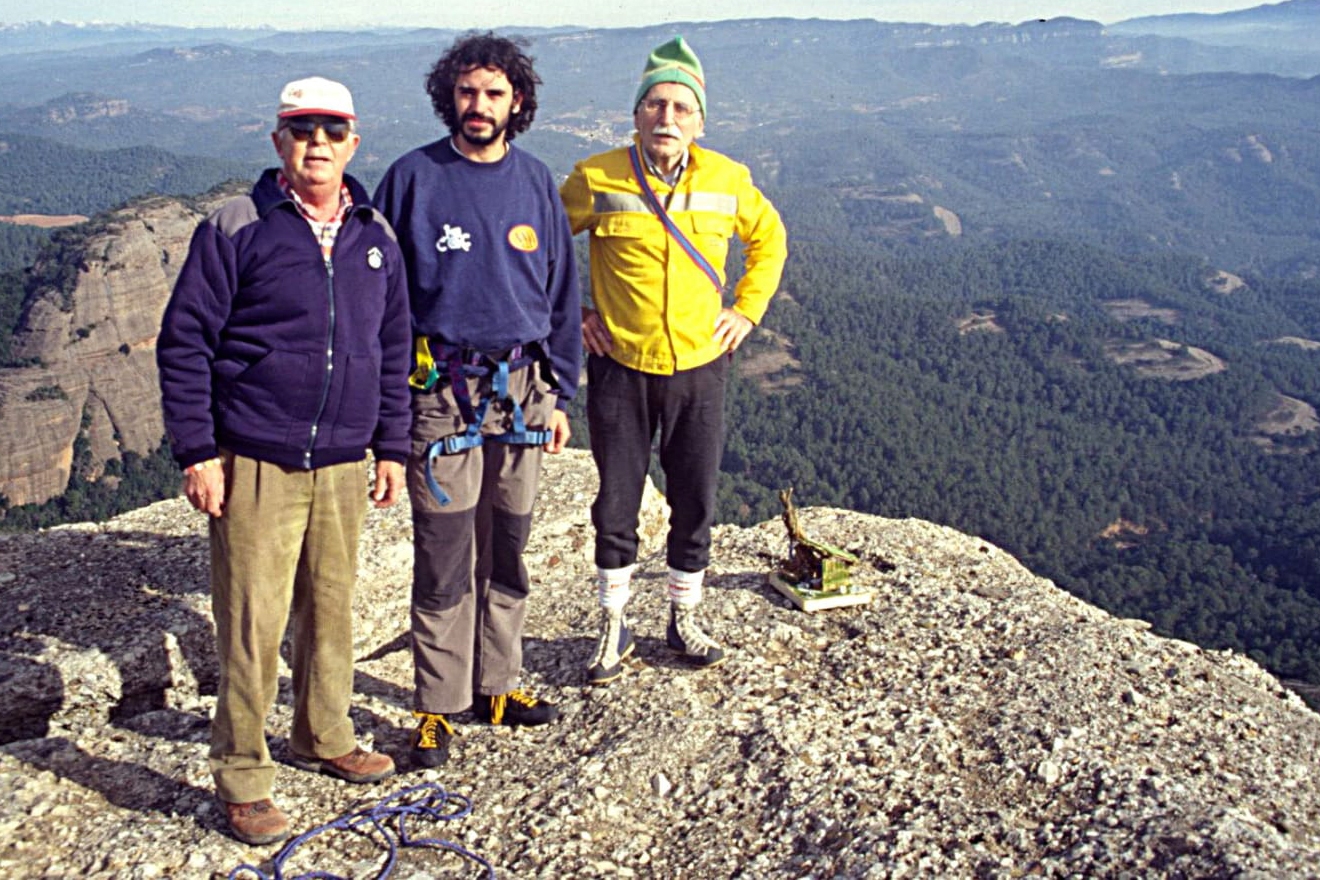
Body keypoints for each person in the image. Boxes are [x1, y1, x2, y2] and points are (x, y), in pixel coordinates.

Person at [156, 76, 411, 846]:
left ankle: (323, 736)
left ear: (354, 143)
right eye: (303, 131)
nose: (319, 144)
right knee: (252, 624)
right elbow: (185, 341)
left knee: (331, 609)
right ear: (278, 143)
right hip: (256, 458)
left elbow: (394, 347)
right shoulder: (237, 226)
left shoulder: (375, 234)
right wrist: (199, 450)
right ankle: (242, 774)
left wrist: (392, 445)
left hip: (341, 459)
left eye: (333, 130)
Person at [373, 33, 580, 769]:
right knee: (444, 554)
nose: (479, 106)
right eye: (467, 92)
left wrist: (559, 394)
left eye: (494, 93)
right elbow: (382, 301)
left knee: (510, 546)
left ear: (517, 100)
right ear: (448, 97)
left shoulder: (534, 182)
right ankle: (437, 704)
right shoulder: (412, 179)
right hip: (443, 396)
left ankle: (497, 684)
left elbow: (561, 296)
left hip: (523, 393)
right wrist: (386, 419)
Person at [560, 36, 788, 686]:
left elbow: (769, 240)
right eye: (655, 105)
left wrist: (747, 310)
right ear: (635, 115)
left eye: (681, 108)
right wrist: (570, 314)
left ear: (700, 122)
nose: (667, 118)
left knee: (694, 496)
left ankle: (683, 615)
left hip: (700, 366)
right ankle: (613, 622)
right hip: (621, 366)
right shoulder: (597, 177)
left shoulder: (727, 179)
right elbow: (541, 244)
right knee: (616, 501)